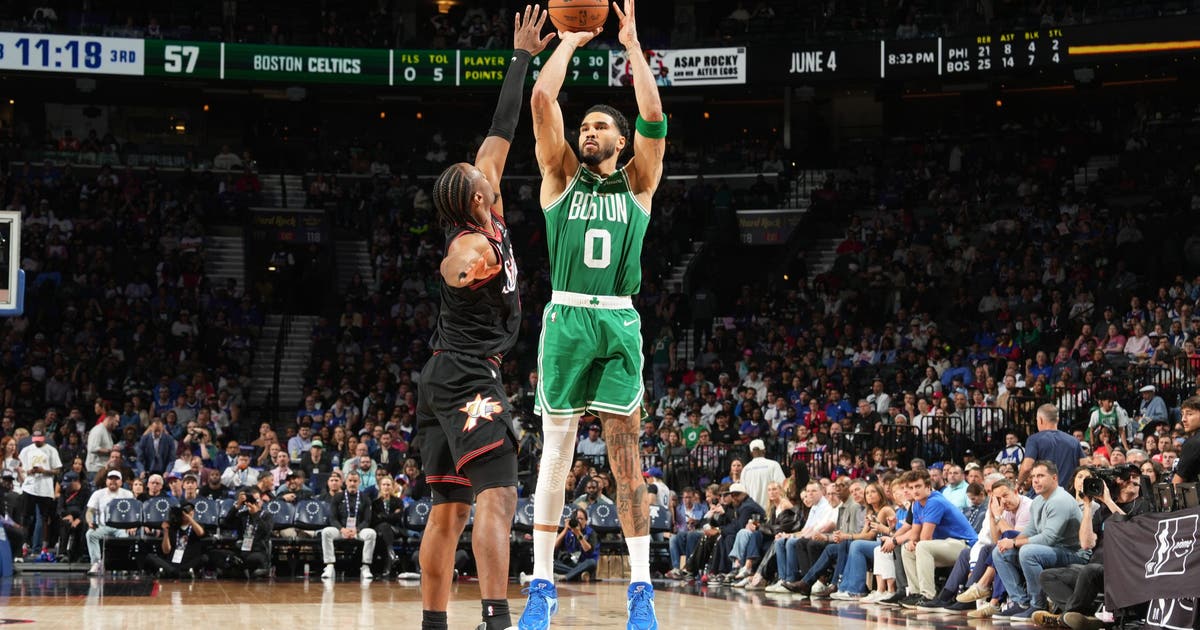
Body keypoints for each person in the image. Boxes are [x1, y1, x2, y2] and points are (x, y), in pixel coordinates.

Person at [520, 1, 668, 628]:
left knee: (625, 455)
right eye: (583, 126)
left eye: (600, 126)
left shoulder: (639, 182)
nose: (588, 132)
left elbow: (653, 116)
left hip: (618, 318)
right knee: (556, 453)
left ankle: (641, 588)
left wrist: (631, 48)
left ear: (620, 141)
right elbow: (541, 102)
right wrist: (569, 42)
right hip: (566, 318)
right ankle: (541, 585)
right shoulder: (559, 177)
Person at [416, 9, 552, 630]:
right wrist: (464, 271)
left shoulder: (484, 197)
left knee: (449, 509)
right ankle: (497, 620)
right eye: (482, 175)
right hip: (469, 376)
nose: (490, 169)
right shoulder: (471, 241)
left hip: (443, 375)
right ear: (478, 197)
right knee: (498, 493)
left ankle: (434, 623)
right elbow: (454, 265)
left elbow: (502, 126)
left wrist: (521, 56)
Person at [990, 460, 1085, 621]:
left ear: (1054, 478)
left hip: (1074, 553)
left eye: (1040, 476)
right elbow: (1031, 529)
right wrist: (1009, 543)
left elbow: (1048, 538)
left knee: (1028, 552)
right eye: (1033, 476)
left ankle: (1038, 604)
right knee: (999, 553)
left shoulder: (1060, 500)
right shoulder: (1039, 500)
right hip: (1053, 550)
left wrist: (1014, 543)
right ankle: (1021, 602)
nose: (1035, 480)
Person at [319, 469, 376, 581]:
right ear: (345, 482)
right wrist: (342, 529)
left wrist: (357, 529)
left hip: (358, 531)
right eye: (350, 480)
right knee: (326, 532)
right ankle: (329, 566)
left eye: (355, 481)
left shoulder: (365, 498)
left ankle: (365, 566)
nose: (352, 483)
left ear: (359, 482)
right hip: (341, 530)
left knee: (371, 533)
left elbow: (367, 520)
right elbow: (332, 518)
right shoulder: (338, 497)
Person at [1020, 404, 1083, 492]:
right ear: (1057, 420)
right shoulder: (1074, 441)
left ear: (1040, 420)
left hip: (1042, 495)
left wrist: (1018, 483)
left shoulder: (1034, 439)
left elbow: (1027, 467)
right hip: (1067, 494)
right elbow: (1084, 466)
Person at [18, 429, 62, 555]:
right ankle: (23, 545)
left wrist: (44, 471)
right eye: (35, 440)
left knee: (43, 518)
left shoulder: (51, 450)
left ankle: (41, 547)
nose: (37, 442)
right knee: (25, 517)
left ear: (44, 438)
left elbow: (57, 470)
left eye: (39, 440)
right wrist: (28, 471)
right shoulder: (26, 450)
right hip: (29, 486)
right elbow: (20, 467)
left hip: (45, 488)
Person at [84, 470, 135, 575]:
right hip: (103, 526)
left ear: (121, 482)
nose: (113, 481)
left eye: (116, 479)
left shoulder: (128, 494)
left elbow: (133, 512)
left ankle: (122, 565)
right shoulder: (98, 494)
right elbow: (89, 511)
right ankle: (96, 563)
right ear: (106, 481)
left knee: (125, 538)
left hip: (121, 527)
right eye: (111, 479)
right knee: (90, 534)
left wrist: (132, 525)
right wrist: (90, 521)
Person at [553, 507, 600, 582]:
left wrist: (578, 533)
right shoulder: (567, 532)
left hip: (583, 564)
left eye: (581, 519)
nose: (579, 521)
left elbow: (588, 550)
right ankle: (578, 575)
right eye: (577, 519)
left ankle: (567, 576)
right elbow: (554, 546)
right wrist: (565, 529)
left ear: (586, 521)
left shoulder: (591, 533)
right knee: (552, 563)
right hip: (569, 563)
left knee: (592, 563)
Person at [1173, 395, 1200, 484]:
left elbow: (1177, 483)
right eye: (1182, 414)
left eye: (1189, 414)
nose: (1183, 419)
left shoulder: (1193, 443)